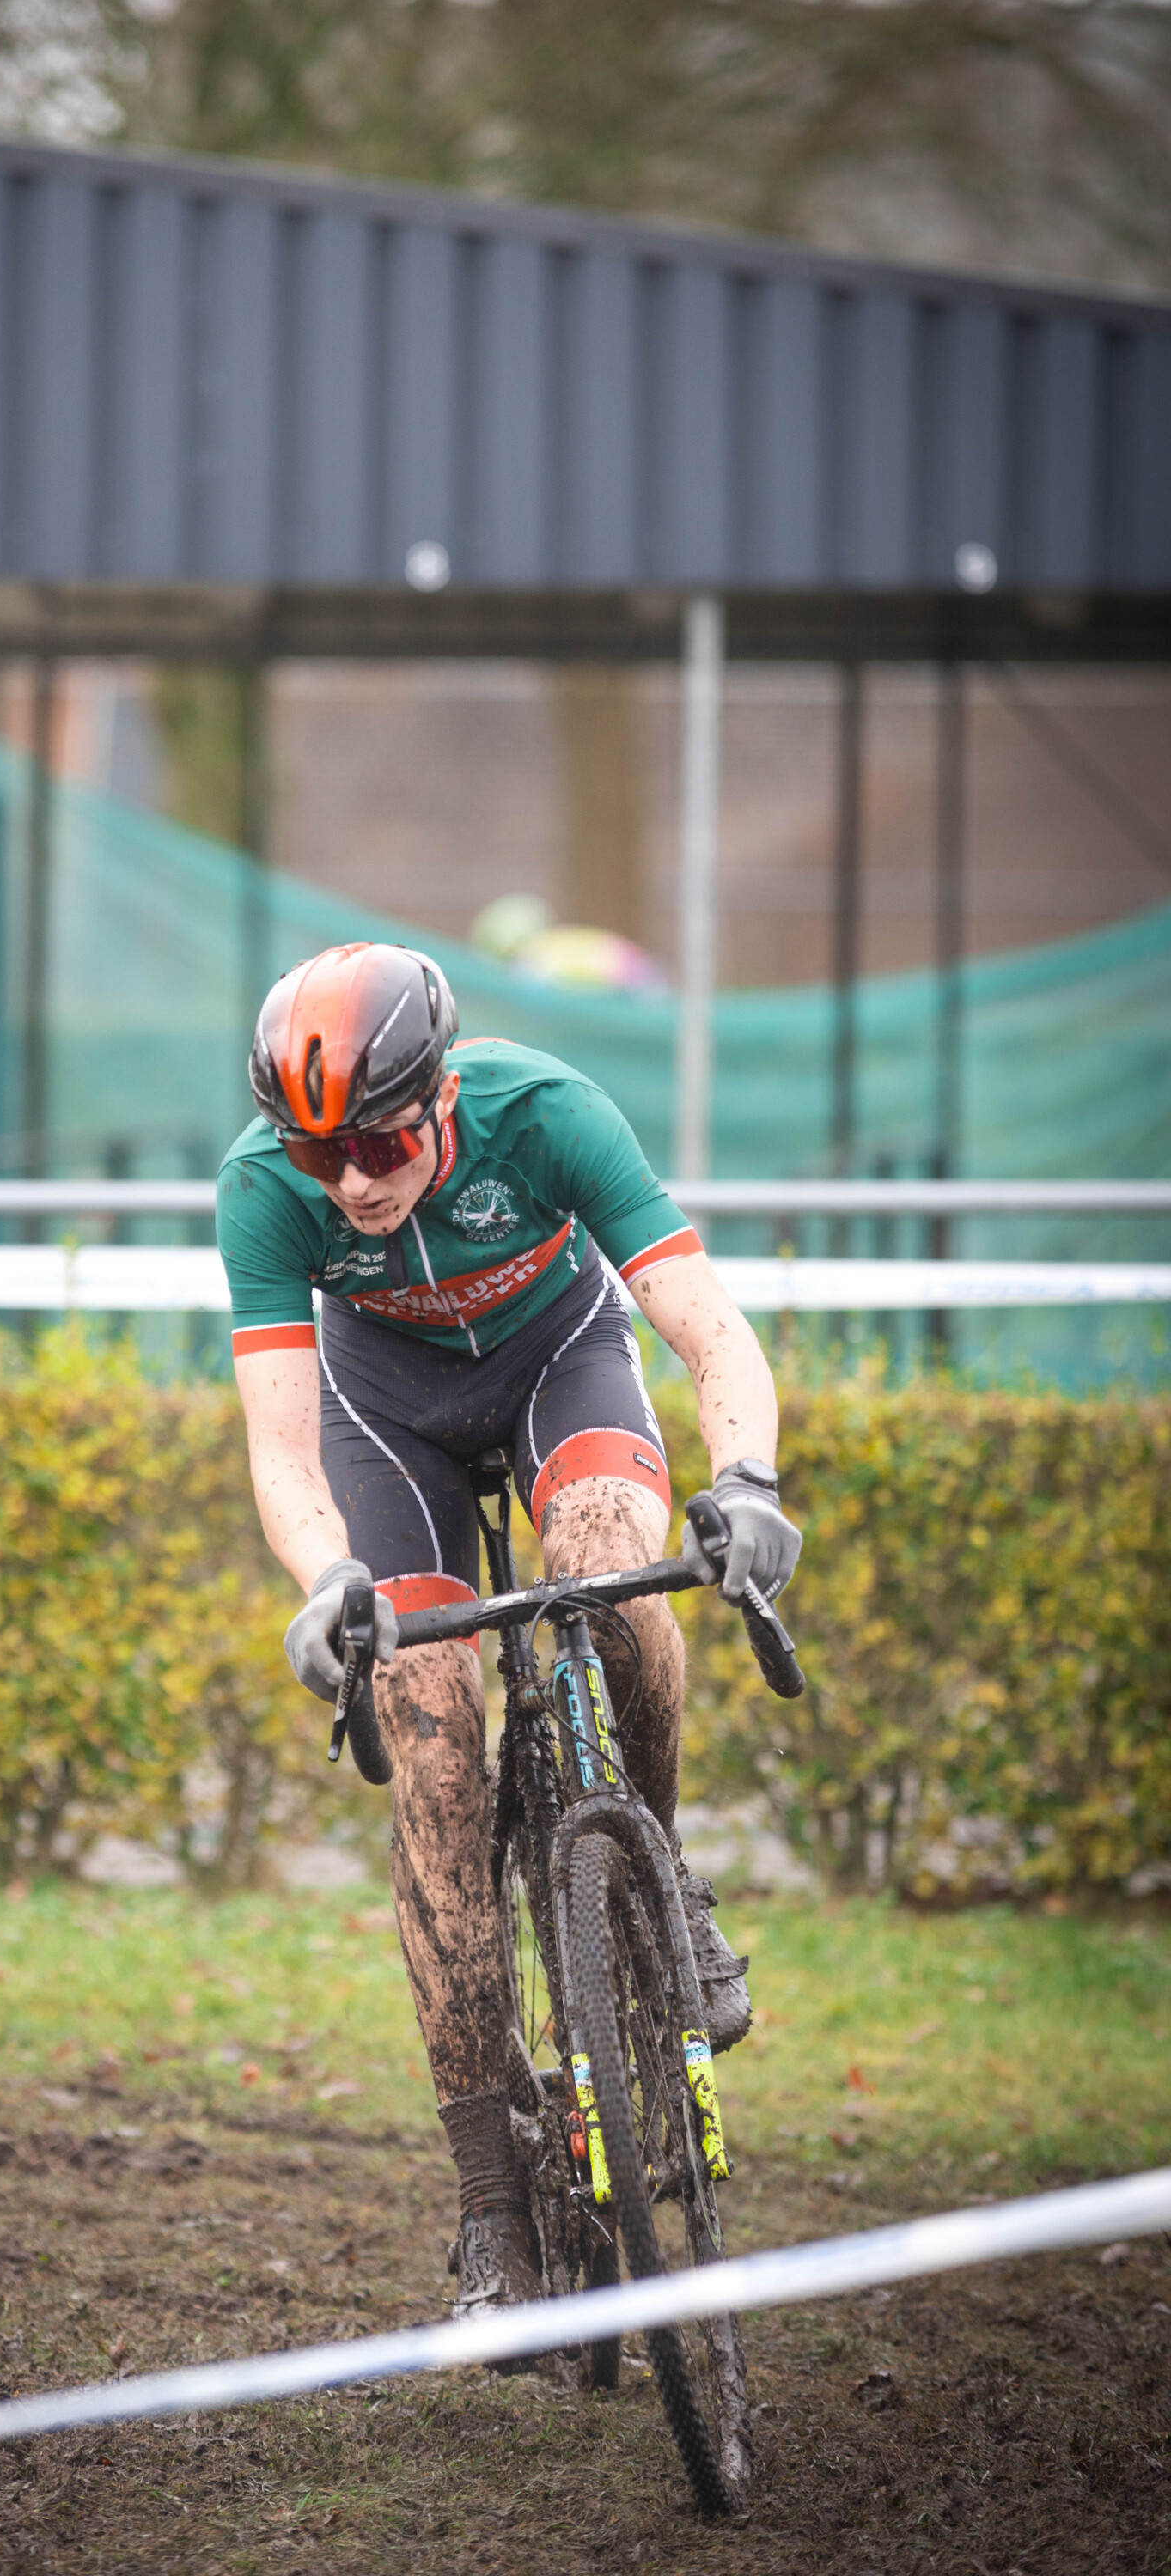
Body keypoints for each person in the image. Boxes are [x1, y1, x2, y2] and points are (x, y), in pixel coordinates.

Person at [216, 941, 801, 2323]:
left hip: (562, 1361)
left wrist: (750, 1487)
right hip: (389, 1421)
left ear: (439, 1096)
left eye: (373, 1141)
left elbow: (711, 1334)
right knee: (429, 1755)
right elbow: (283, 1449)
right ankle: (491, 2206)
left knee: (608, 1574)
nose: (349, 1181)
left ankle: (654, 1876)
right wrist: (323, 1583)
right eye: (318, 1157)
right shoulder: (264, 1188)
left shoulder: (547, 1114)